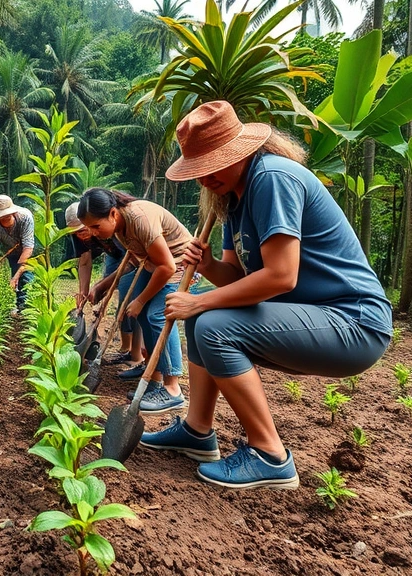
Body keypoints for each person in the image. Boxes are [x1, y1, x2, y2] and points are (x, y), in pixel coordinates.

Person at [141, 100, 392, 489]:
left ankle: (270, 456)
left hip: (353, 322)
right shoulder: (231, 201)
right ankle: (196, 431)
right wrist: (207, 265)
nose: (204, 179)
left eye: (211, 166)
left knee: (212, 324)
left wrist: (199, 300)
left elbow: (280, 277)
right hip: (311, 316)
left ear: (239, 151)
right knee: (203, 320)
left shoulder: (272, 178)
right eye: (198, 170)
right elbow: (236, 280)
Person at [77, 188, 193, 414]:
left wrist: (140, 300)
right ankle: (156, 379)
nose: (92, 233)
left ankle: (173, 390)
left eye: (95, 226)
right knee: (139, 314)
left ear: (112, 213)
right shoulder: (119, 227)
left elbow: (167, 266)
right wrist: (102, 285)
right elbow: (132, 261)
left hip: (181, 264)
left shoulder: (139, 219)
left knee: (156, 316)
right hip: (155, 265)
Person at [65, 202, 143, 366]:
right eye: (76, 232)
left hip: (130, 255)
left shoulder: (111, 227)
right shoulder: (77, 234)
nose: (81, 235)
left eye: (83, 230)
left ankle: (136, 354)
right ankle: (125, 349)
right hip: (113, 255)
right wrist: (83, 292)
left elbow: (131, 262)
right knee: (104, 294)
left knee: (127, 296)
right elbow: (85, 261)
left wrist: (102, 286)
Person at [0, 194, 34, 312]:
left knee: (26, 276)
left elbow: (28, 248)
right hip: (12, 251)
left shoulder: (25, 218)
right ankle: (21, 306)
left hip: (30, 249)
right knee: (17, 276)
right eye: (0, 217)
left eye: (7, 216)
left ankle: (27, 308)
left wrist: (15, 277)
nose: (4, 218)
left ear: (13, 213)